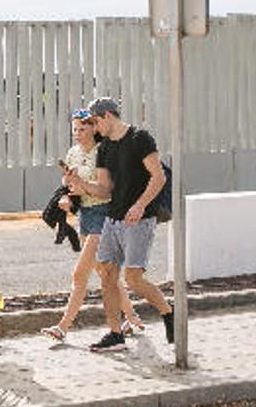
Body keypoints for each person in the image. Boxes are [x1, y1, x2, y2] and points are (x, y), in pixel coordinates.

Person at [65, 97, 174, 353]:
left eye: (94, 122)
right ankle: (115, 333)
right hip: (112, 220)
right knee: (107, 275)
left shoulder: (140, 139)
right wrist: (81, 185)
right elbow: (105, 190)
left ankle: (169, 312)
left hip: (139, 220)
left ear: (108, 116)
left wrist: (139, 205)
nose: (93, 128)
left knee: (134, 279)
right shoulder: (104, 149)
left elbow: (159, 178)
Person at [40, 108, 144, 343]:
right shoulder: (73, 153)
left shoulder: (105, 152)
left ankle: (63, 326)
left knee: (80, 274)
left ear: (94, 128)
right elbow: (68, 182)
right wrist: (68, 194)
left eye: (82, 128)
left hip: (104, 215)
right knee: (105, 273)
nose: (77, 133)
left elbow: (108, 190)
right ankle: (130, 316)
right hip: (85, 215)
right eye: (74, 129)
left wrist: (83, 185)